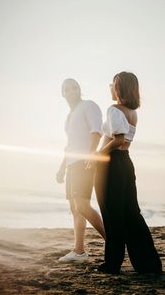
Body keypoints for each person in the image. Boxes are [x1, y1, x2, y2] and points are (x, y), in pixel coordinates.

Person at [95, 72, 162, 274]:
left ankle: (112, 264)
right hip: (126, 163)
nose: (110, 87)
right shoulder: (132, 112)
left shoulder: (114, 110)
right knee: (132, 214)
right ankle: (149, 264)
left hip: (112, 163)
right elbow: (125, 141)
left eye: (113, 84)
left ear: (120, 88)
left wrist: (97, 155)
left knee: (111, 213)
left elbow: (118, 140)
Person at [56, 78, 105, 263]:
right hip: (71, 165)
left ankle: (113, 242)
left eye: (74, 87)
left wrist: (91, 156)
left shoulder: (88, 106)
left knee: (82, 205)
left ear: (79, 89)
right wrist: (62, 168)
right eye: (67, 89)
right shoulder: (69, 116)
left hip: (84, 162)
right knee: (75, 209)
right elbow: (70, 146)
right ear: (63, 93)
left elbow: (96, 131)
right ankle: (79, 252)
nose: (71, 91)